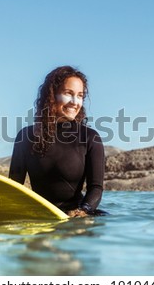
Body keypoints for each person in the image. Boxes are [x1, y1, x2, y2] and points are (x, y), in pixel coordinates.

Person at [9, 65, 105, 217]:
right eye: (68, 93)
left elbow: (96, 188)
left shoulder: (90, 137)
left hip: (77, 219)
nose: (75, 101)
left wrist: (83, 211)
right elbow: (14, 187)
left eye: (80, 95)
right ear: (52, 95)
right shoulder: (25, 136)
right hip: (40, 216)